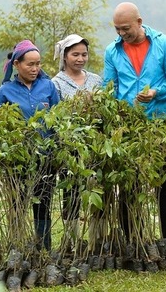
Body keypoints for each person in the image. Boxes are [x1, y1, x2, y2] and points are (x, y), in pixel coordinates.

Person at [103, 2, 166, 252]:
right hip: (128, 126)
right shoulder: (112, 51)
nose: (121, 34)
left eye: (125, 28)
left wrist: (157, 92)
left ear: (139, 22)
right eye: (117, 29)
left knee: (165, 185)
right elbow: (108, 87)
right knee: (129, 185)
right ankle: (133, 241)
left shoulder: (164, 44)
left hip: (160, 123)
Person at [0, 40, 61, 251]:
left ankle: (44, 249)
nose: (35, 69)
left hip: (45, 157)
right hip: (18, 159)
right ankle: (18, 247)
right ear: (16, 65)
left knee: (43, 204)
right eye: (29, 64)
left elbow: (58, 118)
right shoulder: (6, 91)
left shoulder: (48, 86)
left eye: (38, 64)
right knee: (17, 204)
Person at [52, 34, 102, 243]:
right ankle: (72, 239)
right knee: (71, 192)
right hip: (70, 146)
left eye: (84, 54)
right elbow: (57, 114)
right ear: (64, 56)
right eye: (75, 54)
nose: (80, 59)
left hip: (96, 145)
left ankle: (97, 238)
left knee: (97, 190)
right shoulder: (55, 83)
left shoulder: (96, 80)